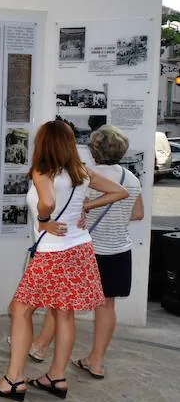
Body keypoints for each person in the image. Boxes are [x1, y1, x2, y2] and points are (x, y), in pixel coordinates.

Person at [0, 120, 127, 401]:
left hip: (52, 251)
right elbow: (119, 192)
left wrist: (45, 220)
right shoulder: (81, 172)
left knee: (21, 310)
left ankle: (13, 380)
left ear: (44, 143)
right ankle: (56, 377)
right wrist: (86, 206)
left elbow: (47, 203)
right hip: (80, 250)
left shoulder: (42, 170)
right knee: (65, 313)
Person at [26, 125, 144, 378]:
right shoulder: (131, 178)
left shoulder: (80, 175)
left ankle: (40, 346)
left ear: (94, 149)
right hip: (119, 249)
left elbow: (63, 206)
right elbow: (138, 213)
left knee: (61, 305)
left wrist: (88, 206)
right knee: (107, 306)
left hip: (87, 249)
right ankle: (96, 361)